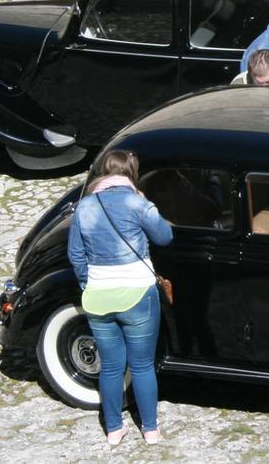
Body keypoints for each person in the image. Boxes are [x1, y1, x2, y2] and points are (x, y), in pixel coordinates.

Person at [66, 149, 173, 447]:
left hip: (99, 296)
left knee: (111, 367)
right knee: (141, 366)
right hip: (138, 293)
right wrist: (147, 203)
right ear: (131, 173)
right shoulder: (137, 203)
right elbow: (165, 237)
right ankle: (150, 429)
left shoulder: (84, 207)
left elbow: (75, 255)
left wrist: (91, 283)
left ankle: (114, 429)